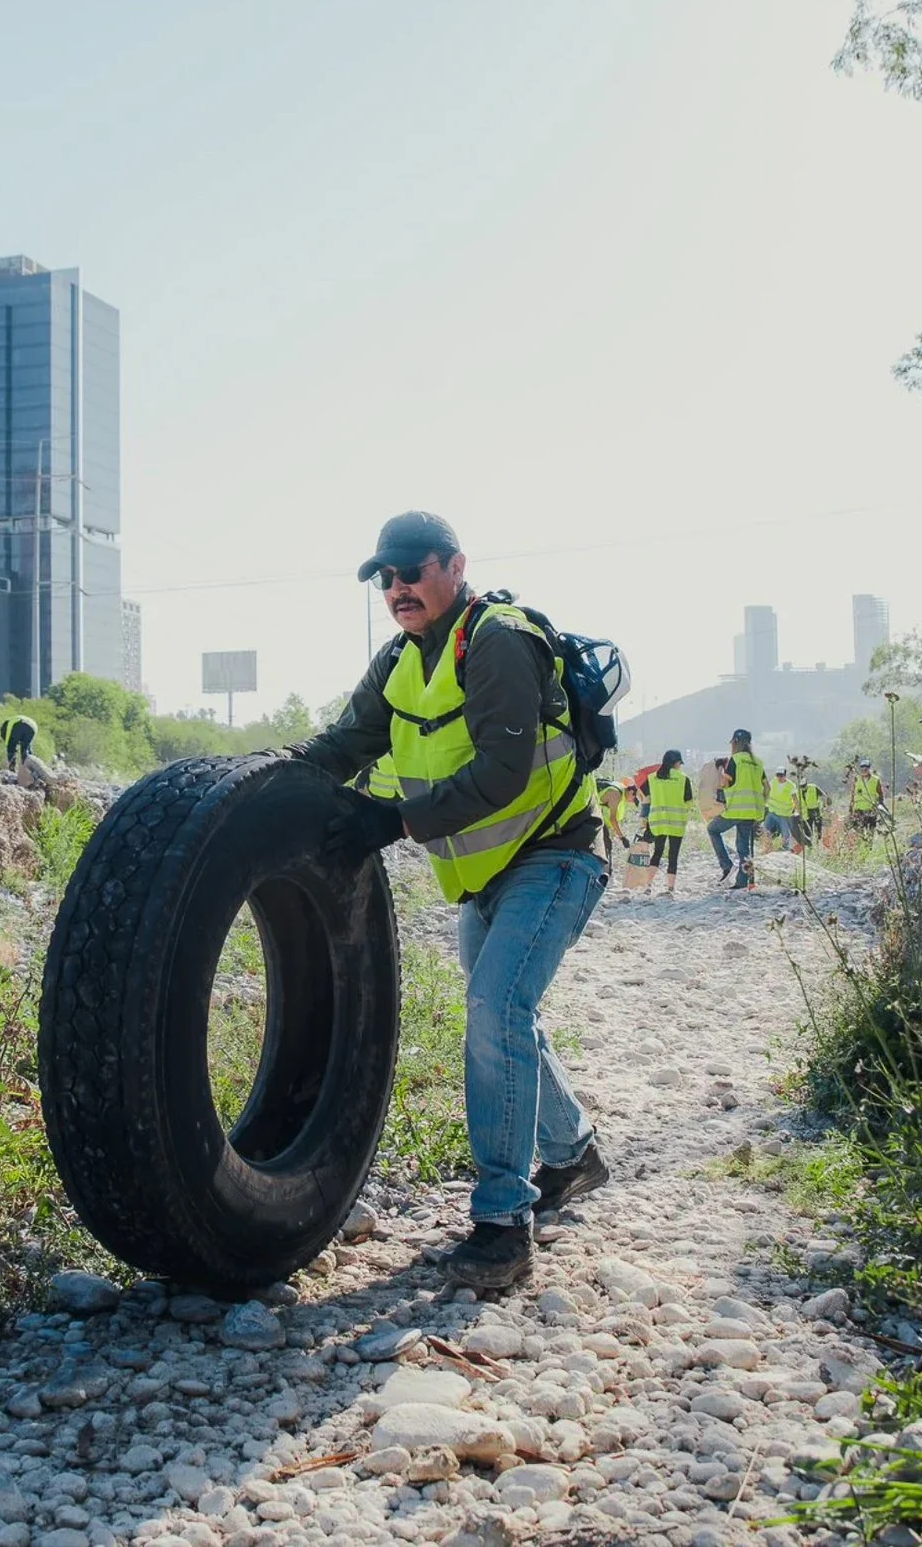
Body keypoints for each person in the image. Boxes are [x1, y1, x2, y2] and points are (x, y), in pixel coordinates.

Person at [293, 511, 609, 1292]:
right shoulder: (401, 660)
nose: (397, 589)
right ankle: (574, 1155)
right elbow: (345, 745)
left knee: (496, 1012)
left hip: (556, 856)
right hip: (485, 875)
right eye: (385, 579)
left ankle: (503, 1226)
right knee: (504, 1017)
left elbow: (503, 773)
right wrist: (267, 786)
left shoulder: (496, 638)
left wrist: (392, 820)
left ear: (455, 566)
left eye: (411, 572)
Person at [707, 728, 767, 889]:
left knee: (712, 829)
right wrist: (761, 803)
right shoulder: (758, 763)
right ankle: (743, 881)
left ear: (735, 742)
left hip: (735, 809)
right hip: (752, 811)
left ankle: (727, 865)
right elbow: (767, 788)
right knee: (744, 847)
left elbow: (725, 784)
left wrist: (720, 771)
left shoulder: (735, 760)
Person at [643, 749, 694, 894]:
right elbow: (689, 802)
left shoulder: (652, 777)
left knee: (657, 852)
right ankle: (670, 887)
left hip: (658, 821)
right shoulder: (683, 778)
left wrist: (643, 818)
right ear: (676, 763)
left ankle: (648, 885)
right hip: (677, 822)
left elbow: (646, 799)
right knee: (673, 854)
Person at [764, 768, 800, 852]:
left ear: (785, 775)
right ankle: (768, 847)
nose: (779, 777)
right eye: (778, 775)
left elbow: (795, 799)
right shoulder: (773, 782)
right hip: (772, 811)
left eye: (781, 775)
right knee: (765, 829)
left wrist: (798, 811)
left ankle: (786, 848)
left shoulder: (790, 785)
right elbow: (767, 791)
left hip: (784, 814)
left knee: (785, 833)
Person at [849, 758, 885, 835]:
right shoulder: (856, 779)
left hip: (871, 810)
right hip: (859, 810)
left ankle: (869, 846)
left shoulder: (876, 780)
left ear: (869, 769)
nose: (864, 770)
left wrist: (880, 804)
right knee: (859, 833)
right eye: (862, 768)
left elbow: (880, 794)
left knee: (870, 832)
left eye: (866, 768)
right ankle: (861, 845)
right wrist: (851, 808)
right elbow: (852, 794)